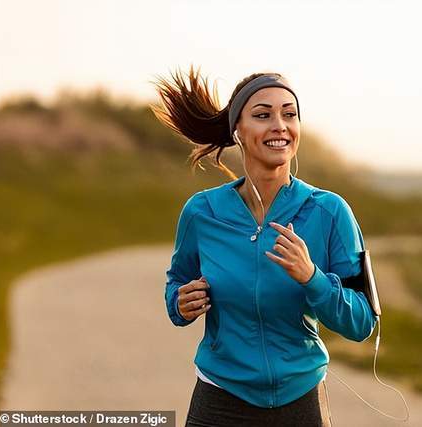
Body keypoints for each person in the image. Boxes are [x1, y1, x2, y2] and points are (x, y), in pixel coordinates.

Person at [151, 67, 378, 427]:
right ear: (237, 130)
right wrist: (179, 303)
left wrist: (312, 278)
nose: (280, 125)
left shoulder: (329, 211)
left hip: (300, 401)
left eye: (290, 114)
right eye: (262, 115)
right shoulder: (202, 212)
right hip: (219, 399)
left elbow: (362, 322)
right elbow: (176, 283)